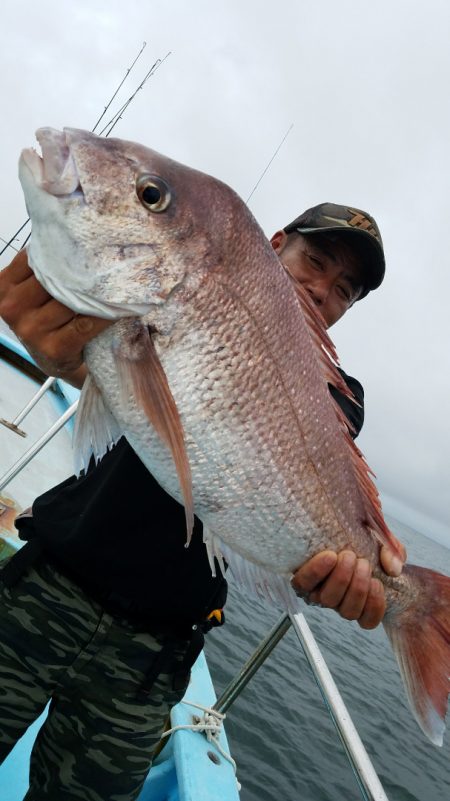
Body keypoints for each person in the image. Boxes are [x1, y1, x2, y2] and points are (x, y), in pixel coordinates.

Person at [0, 201, 405, 800]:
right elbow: (120, 364)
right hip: (47, 586)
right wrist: (69, 345)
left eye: (345, 290)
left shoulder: (335, 402)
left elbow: (291, 508)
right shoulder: (186, 297)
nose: (323, 290)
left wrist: (338, 575)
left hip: (150, 657)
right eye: (316, 261)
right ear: (274, 244)